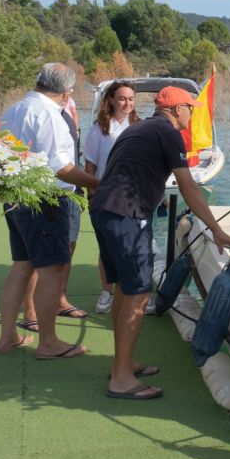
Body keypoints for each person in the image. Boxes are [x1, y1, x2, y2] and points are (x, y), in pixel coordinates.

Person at [91, 86, 230, 400]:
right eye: (191, 108)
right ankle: (121, 379)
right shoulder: (168, 133)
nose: (193, 114)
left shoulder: (139, 128)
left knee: (125, 289)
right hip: (126, 214)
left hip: (104, 210)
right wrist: (215, 229)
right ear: (177, 109)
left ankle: (123, 364)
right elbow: (188, 186)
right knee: (137, 294)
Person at [0, 63, 98, 358]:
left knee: (21, 267)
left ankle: (7, 336)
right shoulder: (50, 115)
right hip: (46, 200)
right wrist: (99, 183)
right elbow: (61, 167)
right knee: (51, 271)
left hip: (16, 196)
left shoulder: (14, 109)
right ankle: (49, 342)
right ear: (67, 92)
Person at [81, 80, 138, 314]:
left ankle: (131, 294)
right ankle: (107, 292)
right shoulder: (100, 129)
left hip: (134, 198)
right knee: (107, 248)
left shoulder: (140, 127)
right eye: (122, 98)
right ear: (111, 100)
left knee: (132, 247)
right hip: (105, 198)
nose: (127, 103)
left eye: (131, 99)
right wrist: (91, 194)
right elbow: (90, 166)